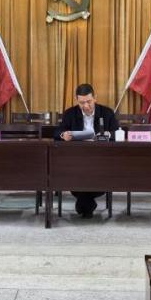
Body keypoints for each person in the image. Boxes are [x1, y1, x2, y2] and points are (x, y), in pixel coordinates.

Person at [54, 83, 120, 217]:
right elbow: (57, 132)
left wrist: (108, 134)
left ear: (95, 98)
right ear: (76, 100)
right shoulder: (70, 113)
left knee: (89, 177)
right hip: (76, 159)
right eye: (81, 102)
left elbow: (118, 133)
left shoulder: (107, 113)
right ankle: (87, 205)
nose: (85, 106)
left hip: (101, 160)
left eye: (89, 101)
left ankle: (84, 205)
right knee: (78, 175)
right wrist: (63, 135)